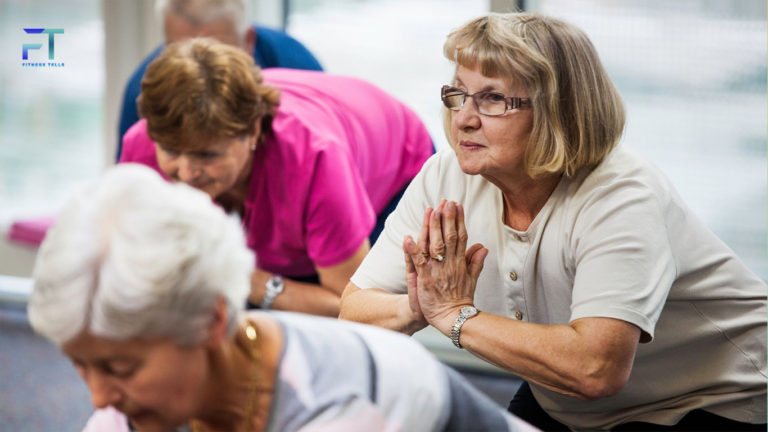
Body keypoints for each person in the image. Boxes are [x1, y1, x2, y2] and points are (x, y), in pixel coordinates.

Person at [339, 12, 768, 431]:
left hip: (715, 397)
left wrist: (455, 316)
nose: (463, 118)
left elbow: (594, 369)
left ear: (556, 111)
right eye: (458, 94)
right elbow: (354, 312)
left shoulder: (620, 195)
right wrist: (417, 305)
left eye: (492, 98)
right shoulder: (447, 175)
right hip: (570, 403)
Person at [26, 164, 536, 432]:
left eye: (118, 368)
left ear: (210, 321)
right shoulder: (150, 388)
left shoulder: (343, 407)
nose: (98, 396)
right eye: (80, 366)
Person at [118, 38, 434, 317]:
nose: (185, 174)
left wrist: (244, 277)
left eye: (207, 155)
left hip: (396, 164)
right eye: (171, 152)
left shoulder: (315, 161)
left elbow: (354, 306)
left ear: (253, 131)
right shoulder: (142, 145)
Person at [116, 0, 323, 160]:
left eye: (217, 50)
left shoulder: (294, 63)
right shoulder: (143, 90)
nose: (198, 66)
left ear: (249, 40)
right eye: (180, 51)